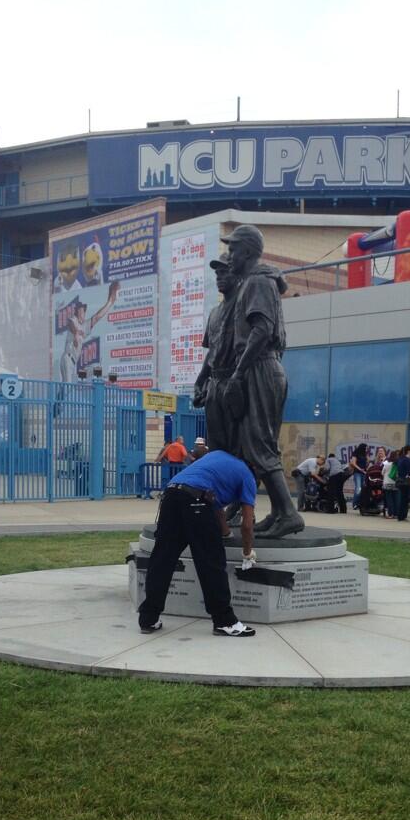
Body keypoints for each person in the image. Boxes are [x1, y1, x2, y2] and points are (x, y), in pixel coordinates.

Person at [221, 224, 303, 539]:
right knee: (256, 445)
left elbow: (261, 330)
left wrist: (239, 373)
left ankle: (288, 513)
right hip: (262, 367)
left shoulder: (256, 281)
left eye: (232, 250)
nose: (229, 256)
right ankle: (281, 512)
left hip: (260, 367)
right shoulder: (256, 281)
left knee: (260, 443)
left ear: (248, 252)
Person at [138, 450, 257, 638]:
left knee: (162, 560)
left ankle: (148, 618)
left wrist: (225, 533)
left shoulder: (217, 458)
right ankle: (225, 621)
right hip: (196, 501)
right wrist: (247, 553)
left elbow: (216, 509)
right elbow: (248, 524)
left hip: (171, 495)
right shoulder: (248, 476)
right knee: (211, 562)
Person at [193, 254, 240, 456]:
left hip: (236, 383)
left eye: (225, 272)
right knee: (216, 445)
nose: (220, 277)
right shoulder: (214, 313)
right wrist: (200, 381)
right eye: (217, 273)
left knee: (239, 445)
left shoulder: (244, 306)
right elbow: (212, 352)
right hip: (215, 385)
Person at [59, 283, 119, 383]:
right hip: (67, 358)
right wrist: (76, 332)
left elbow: (97, 317)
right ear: (77, 312)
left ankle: (58, 398)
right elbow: (70, 325)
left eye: (84, 311)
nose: (83, 313)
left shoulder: (85, 325)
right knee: (67, 385)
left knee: (65, 387)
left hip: (72, 362)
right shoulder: (73, 320)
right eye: (81, 310)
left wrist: (109, 302)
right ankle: (59, 397)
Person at [395, 445, 410, 521]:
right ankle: (402, 515)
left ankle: (400, 515)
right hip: (405, 481)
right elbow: (409, 472)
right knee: (405, 499)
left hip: (400, 480)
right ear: (408, 451)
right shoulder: (407, 460)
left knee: (402, 498)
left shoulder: (400, 459)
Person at [349, 443, 368, 510]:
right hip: (357, 473)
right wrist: (360, 469)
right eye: (366, 448)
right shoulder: (355, 453)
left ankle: (360, 503)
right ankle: (355, 504)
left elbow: (367, 462)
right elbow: (353, 463)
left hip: (364, 473)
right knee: (358, 488)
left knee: (363, 488)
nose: (367, 449)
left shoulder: (365, 454)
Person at [381, 449, 399, 519]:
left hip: (387, 483)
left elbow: (382, 473)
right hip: (395, 483)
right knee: (396, 499)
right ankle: (396, 514)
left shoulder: (386, 463)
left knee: (389, 500)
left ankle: (390, 514)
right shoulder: (397, 464)